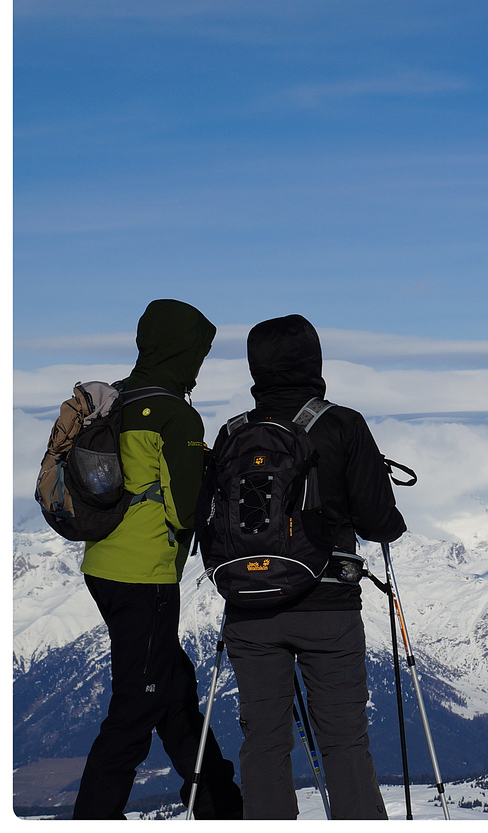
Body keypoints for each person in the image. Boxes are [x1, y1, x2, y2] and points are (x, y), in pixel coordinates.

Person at [218, 314, 406, 820]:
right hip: (327, 606)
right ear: (314, 360)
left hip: (249, 608)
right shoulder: (342, 424)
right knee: (343, 742)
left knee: (263, 741)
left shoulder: (234, 433)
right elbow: (378, 521)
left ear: (256, 366)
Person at [73, 299, 244, 819]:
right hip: (144, 575)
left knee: (172, 690)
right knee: (137, 703)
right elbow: (186, 507)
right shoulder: (175, 413)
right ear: (183, 351)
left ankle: (219, 803)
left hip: (104, 565)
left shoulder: (117, 400)